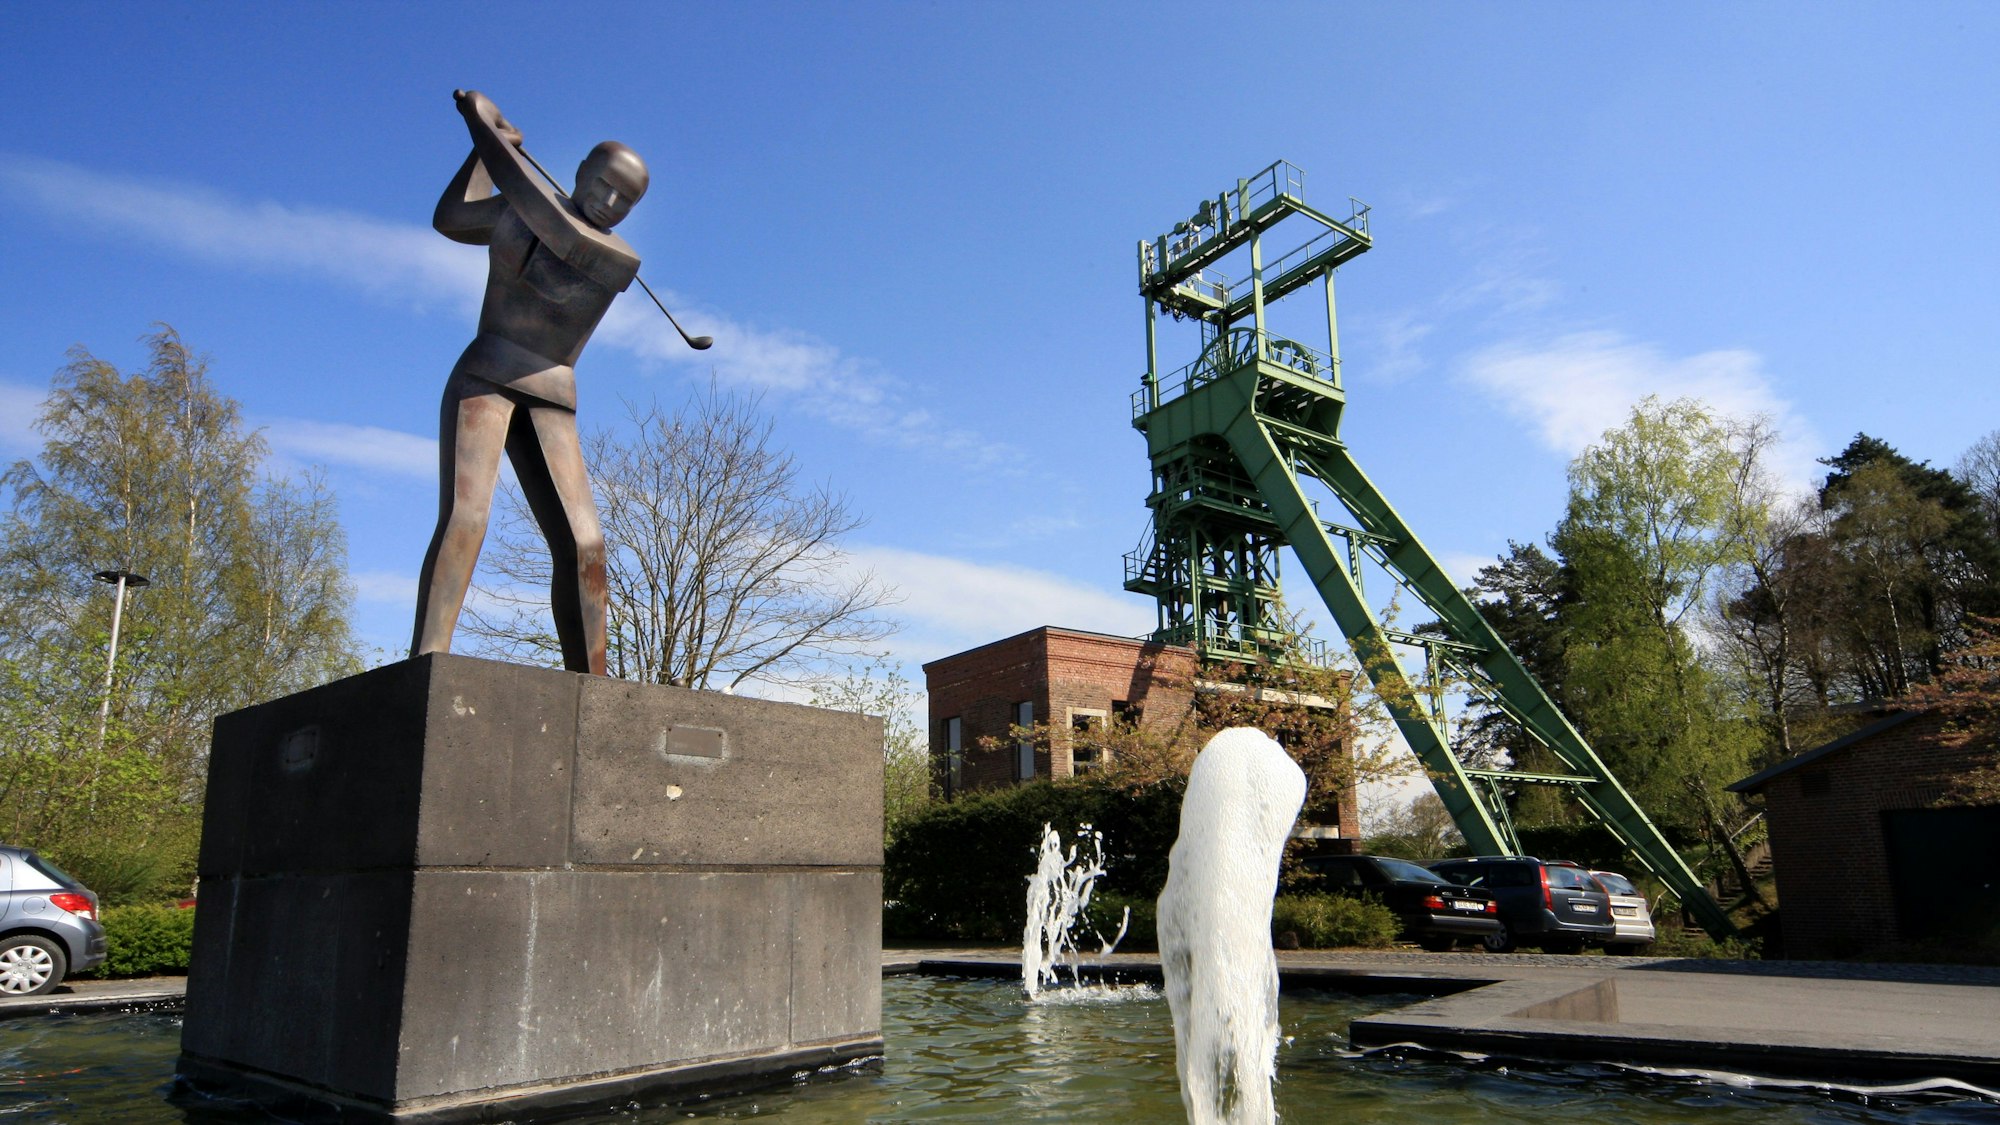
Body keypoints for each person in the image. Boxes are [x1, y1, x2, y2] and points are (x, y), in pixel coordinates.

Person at [410, 90, 648, 675]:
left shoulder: (614, 258)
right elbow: (451, 218)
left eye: (626, 200)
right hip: (487, 371)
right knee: (467, 516)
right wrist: (486, 154)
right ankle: (427, 661)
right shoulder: (521, 208)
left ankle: (592, 685)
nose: (610, 203)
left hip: (552, 395)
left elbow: (552, 225)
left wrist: (483, 129)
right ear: (581, 173)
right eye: (603, 185)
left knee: (586, 545)